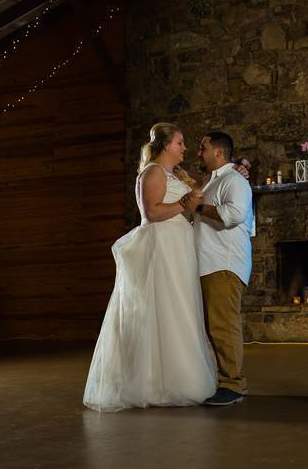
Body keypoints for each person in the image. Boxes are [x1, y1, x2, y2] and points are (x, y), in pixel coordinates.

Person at [83, 123, 216, 411]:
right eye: (180, 142)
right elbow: (151, 212)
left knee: (179, 308)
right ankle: (156, 383)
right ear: (166, 145)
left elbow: (202, 188)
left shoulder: (174, 173)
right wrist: (184, 204)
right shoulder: (152, 172)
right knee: (163, 308)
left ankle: (180, 376)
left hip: (178, 247)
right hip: (162, 247)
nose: (184, 148)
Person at [189, 131, 254, 406]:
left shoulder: (234, 180)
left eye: (202, 148)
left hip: (223, 264)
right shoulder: (212, 182)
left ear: (218, 152)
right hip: (210, 263)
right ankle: (226, 380)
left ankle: (233, 385)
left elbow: (234, 214)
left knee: (223, 326)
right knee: (214, 327)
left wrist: (199, 208)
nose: (198, 153)